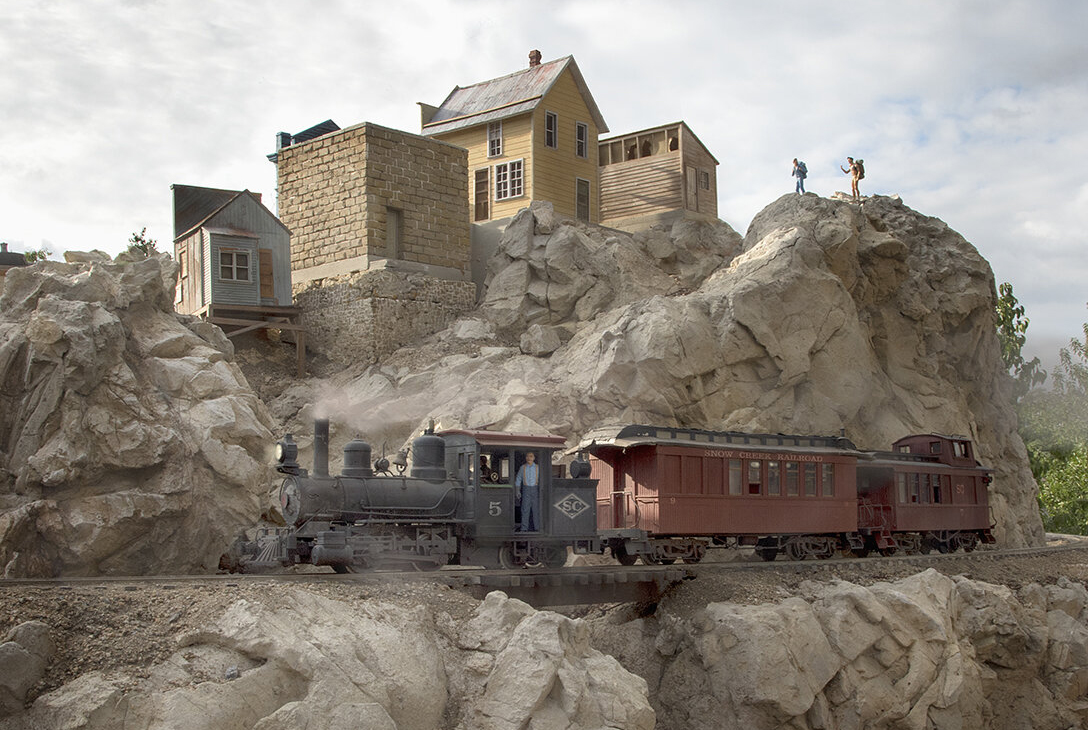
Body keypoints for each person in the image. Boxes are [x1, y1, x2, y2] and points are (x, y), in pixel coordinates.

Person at [515, 452, 540, 531]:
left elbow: (541, 480)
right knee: (525, 509)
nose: (529, 458)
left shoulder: (537, 468)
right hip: (526, 490)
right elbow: (518, 479)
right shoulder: (523, 468)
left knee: (536, 509)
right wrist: (517, 491)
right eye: (527, 456)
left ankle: (537, 528)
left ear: (534, 458)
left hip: (535, 489)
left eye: (531, 456)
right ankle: (524, 528)